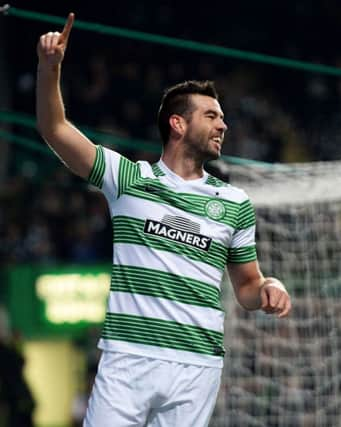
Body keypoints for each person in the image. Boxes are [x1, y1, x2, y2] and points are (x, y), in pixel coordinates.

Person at [36, 13, 292, 427]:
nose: (223, 124)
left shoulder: (235, 202)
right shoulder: (128, 178)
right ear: (178, 123)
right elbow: (54, 128)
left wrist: (270, 287)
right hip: (129, 358)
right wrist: (50, 70)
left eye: (222, 117)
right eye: (211, 115)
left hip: (198, 365)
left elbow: (247, 286)